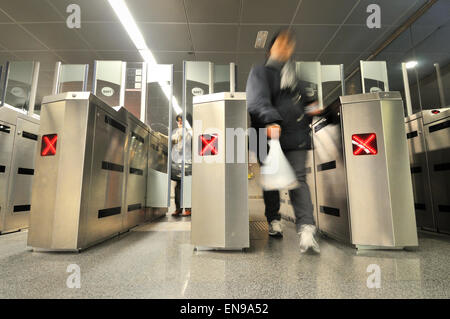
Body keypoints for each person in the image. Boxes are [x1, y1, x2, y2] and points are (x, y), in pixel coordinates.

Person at [246, 29, 321, 253]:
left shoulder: (298, 80)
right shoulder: (261, 73)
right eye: (281, 43)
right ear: (271, 48)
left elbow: (308, 104)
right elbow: (257, 100)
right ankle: (273, 219)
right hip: (266, 136)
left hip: (296, 135)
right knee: (272, 181)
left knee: (298, 179)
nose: (286, 47)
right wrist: (270, 120)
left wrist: (315, 109)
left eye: (289, 44)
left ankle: (307, 230)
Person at [170, 114, 192, 217]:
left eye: (182, 120)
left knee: (187, 185)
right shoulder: (175, 133)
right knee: (178, 186)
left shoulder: (190, 132)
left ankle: (188, 208)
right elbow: (173, 142)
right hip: (178, 162)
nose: (180, 123)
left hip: (188, 162)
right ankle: (178, 208)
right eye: (178, 121)